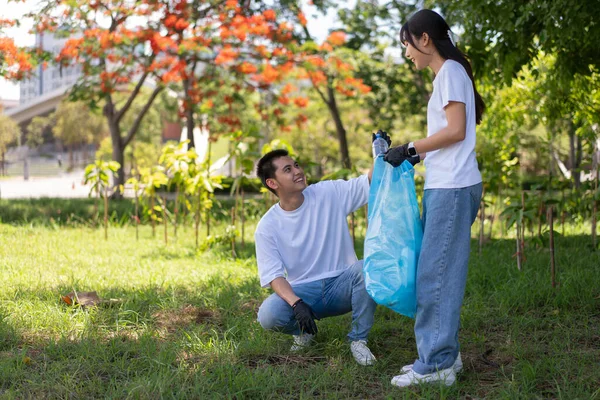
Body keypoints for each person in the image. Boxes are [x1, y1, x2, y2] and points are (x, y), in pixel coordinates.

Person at [382, 9, 484, 387]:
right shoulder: (448, 75)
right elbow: (447, 137)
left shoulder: (451, 74)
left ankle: (437, 365)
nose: (406, 53)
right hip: (448, 185)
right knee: (436, 272)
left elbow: (456, 131)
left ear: (424, 39)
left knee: (435, 277)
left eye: (406, 44)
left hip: (453, 189)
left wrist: (411, 148)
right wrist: (409, 155)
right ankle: (443, 356)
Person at [254, 148, 383, 366]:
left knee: (366, 268)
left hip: (342, 284)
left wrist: (381, 155)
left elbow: (369, 181)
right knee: (268, 314)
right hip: (304, 293)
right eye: (288, 169)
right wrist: (296, 304)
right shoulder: (267, 226)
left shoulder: (328, 193)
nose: (297, 171)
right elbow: (274, 276)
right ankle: (305, 332)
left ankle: (358, 340)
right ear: (272, 183)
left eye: (296, 165)